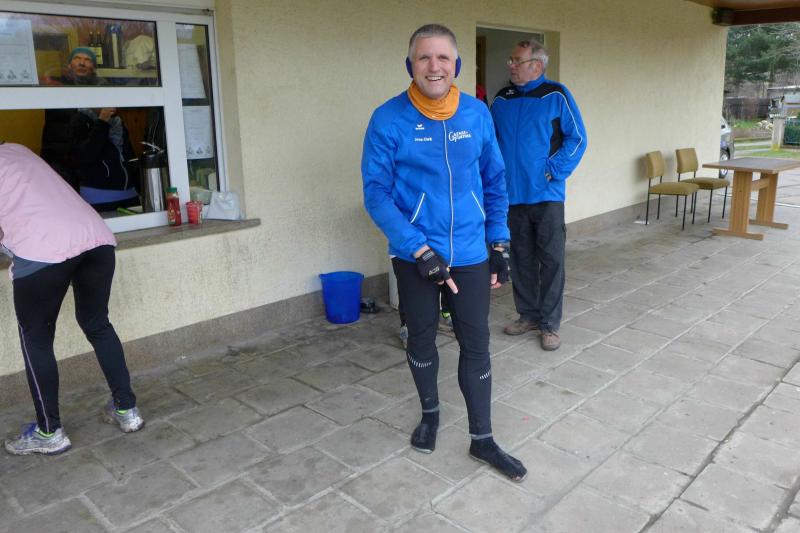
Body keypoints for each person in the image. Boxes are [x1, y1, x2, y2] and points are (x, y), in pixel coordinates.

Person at [362, 24, 526, 482]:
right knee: (421, 338)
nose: (433, 66)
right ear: (409, 65)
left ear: (456, 65)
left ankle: (482, 439)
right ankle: (430, 413)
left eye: (442, 58)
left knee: (476, 343)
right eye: (423, 57)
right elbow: (376, 193)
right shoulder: (388, 119)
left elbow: (495, 181)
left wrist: (499, 242)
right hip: (414, 254)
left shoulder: (476, 114)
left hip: (471, 252)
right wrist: (418, 249)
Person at [0, 142, 144, 456]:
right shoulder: (16, 150)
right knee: (97, 323)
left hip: (45, 250)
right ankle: (127, 410)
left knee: (36, 338)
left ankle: (49, 432)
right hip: (96, 237)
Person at [490, 39, 587, 351]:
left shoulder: (555, 95)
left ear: (536, 65)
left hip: (547, 195)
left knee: (551, 260)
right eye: (510, 60)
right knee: (521, 260)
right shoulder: (501, 99)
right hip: (511, 196)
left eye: (516, 61)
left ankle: (549, 324)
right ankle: (528, 315)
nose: (510, 65)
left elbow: (578, 138)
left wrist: (553, 169)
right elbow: (490, 143)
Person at [40, 48, 139, 210]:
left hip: (102, 179)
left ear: (93, 67)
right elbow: (56, 138)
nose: (82, 63)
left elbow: (124, 151)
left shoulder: (103, 94)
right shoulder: (58, 89)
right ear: (69, 64)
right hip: (65, 165)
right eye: (77, 58)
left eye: (87, 60)